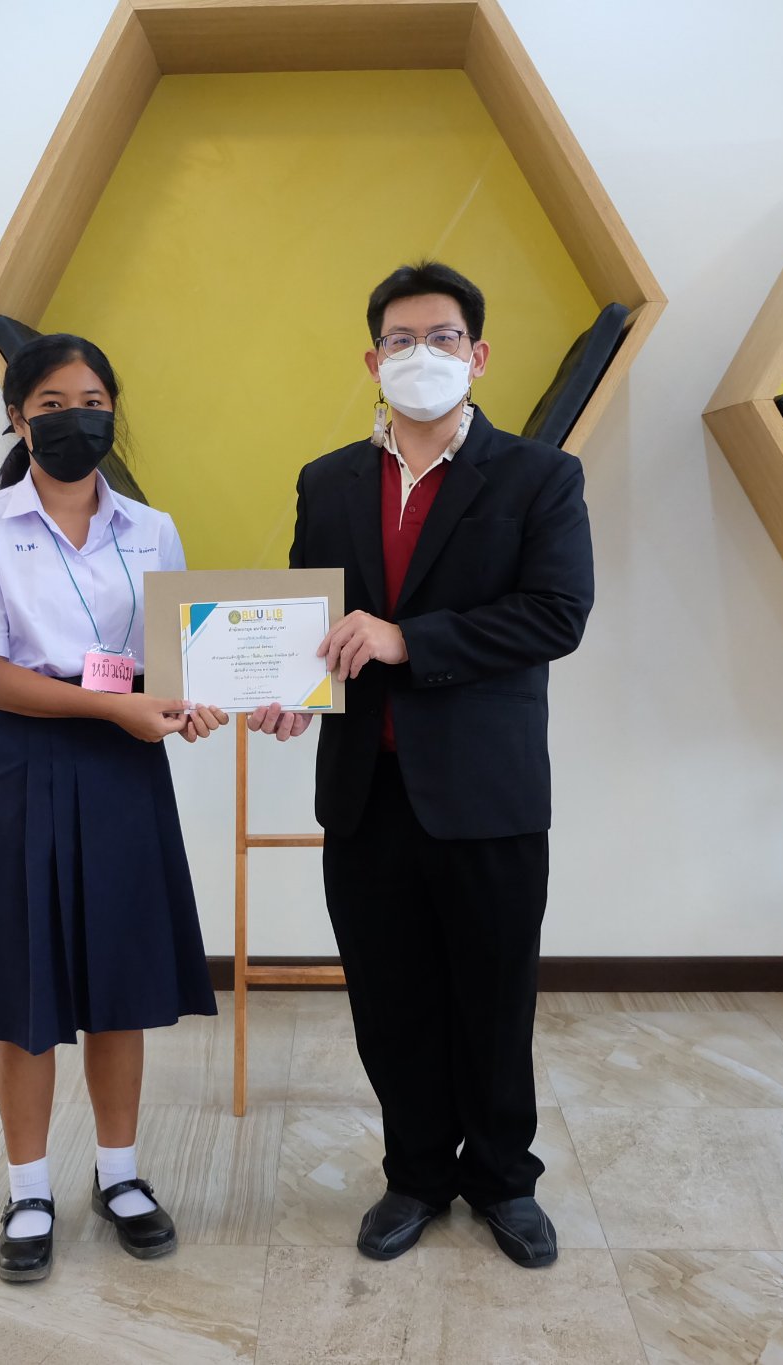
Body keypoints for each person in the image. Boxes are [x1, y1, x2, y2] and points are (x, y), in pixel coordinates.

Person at [251, 261, 594, 1269]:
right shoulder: (327, 481)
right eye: (399, 340)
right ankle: (413, 1175)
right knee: (388, 1000)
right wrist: (289, 686)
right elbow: (315, 620)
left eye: (442, 337)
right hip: (365, 792)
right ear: (373, 361)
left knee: (493, 998)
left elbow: (555, 615)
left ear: (477, 355)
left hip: (486, 794)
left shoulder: (538, 476)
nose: (421, 355)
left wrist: (409, 639)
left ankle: (503, 1180)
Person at [0, 332, 228, 1284]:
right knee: (25, 990)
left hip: (123, 764)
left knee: (119, 978)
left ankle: (120, 1175)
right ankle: (28, 1189)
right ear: (18, 420)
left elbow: (168, 659)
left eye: (92, 401)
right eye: (51, 405)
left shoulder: (153, 528)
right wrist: (120, 708)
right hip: (20, 761)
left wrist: (191, 701)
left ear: (114, 412)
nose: (75, 419)